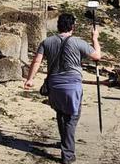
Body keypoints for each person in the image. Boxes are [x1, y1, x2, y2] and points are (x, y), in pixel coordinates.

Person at [23, 13, 102, 164]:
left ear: (58, 26)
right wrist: (95, 39)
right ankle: (68, 154)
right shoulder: (78, 42)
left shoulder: (46, 42)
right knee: (72, 117)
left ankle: (64, 142)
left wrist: (30, 79)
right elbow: (97, 56)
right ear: (73, 27)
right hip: (72, 85)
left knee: (61, 113)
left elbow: (37, 61)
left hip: (54, 84)